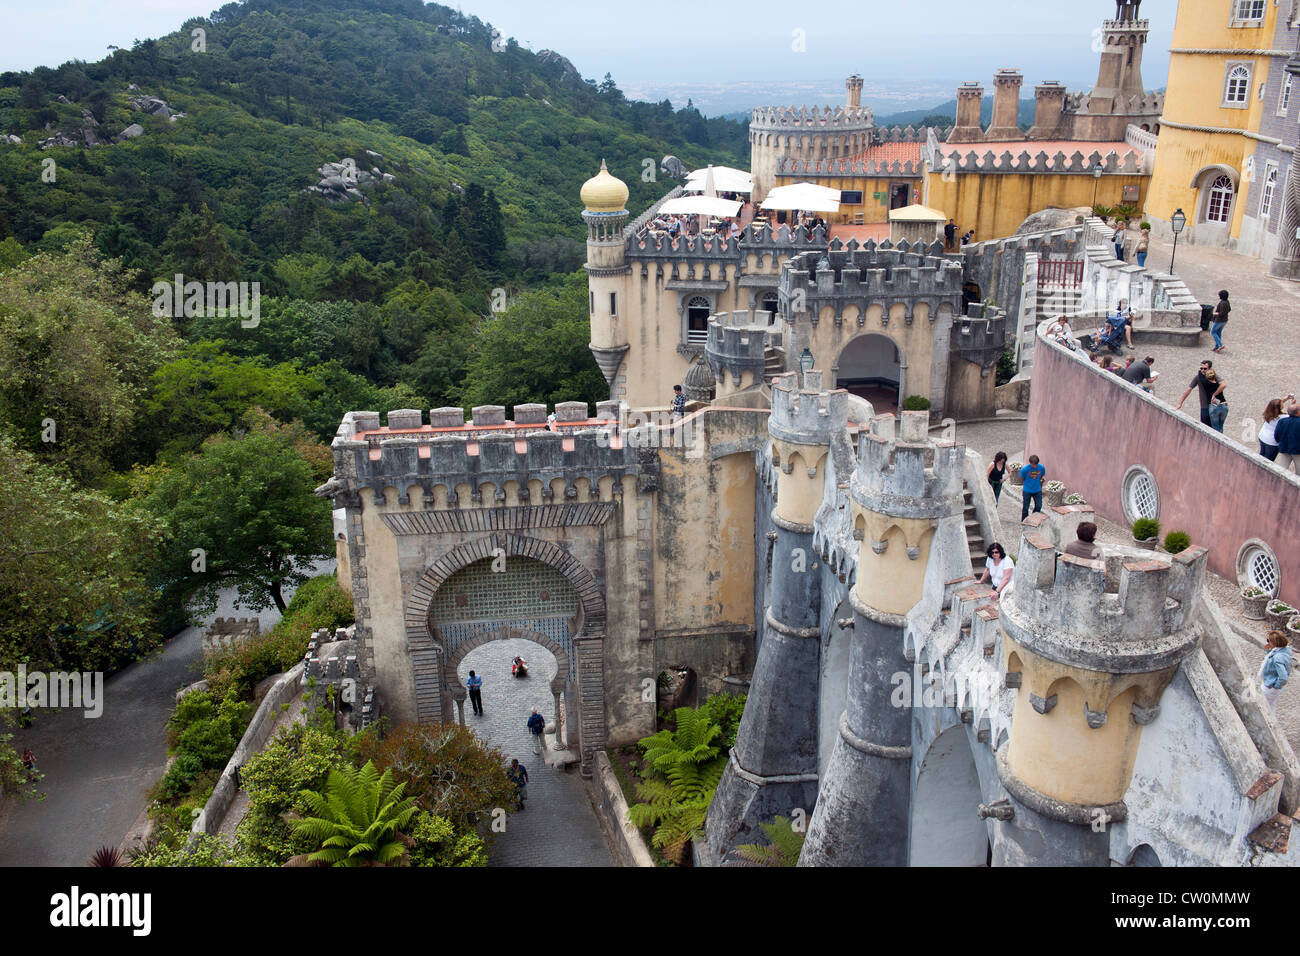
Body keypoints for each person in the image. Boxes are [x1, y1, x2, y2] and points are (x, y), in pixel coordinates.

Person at [1176, 359, 1227, 431]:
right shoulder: (1199, 377)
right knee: (1214, 428)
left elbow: (1224, 385)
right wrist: (1180, 403)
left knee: (1212, 429)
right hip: (1209, 406)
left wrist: (1214, 394)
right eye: (1201, 368)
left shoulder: (1213, 376)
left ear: (1210, 369)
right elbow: (1188, 389)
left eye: (1205, 369)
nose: (1202, 370)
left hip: (1211, 406)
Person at [1259, 631, 1292, 715]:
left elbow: (1283, 677)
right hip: (1273, 686)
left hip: (1270, 686)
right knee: (1271, 706)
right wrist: (1268, 651)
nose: (1267, 642)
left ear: (1274, 643)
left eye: (1268, 640)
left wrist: (1275, 686)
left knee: (1264, 706)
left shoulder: (1278, 658)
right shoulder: (1286, 650)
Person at [1274, 403, 1300, 472]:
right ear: (1297, 413)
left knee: (1281, 470)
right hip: (1298, 451)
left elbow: (1276, 435)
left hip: (1284, 448)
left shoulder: (1282, 421)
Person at [1020, 455, 1046, 520]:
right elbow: (1022, 479)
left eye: (1036, 464)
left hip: (1037, 490)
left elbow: (1041, 476)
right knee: (1025, 508)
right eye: (1034, 464)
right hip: (1027, 490)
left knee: (1038, 506)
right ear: (1030, 463)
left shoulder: (1041, 468)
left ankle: (1033, 518)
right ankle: (1024, 521)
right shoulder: (1024, 469)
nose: (1035, 466)